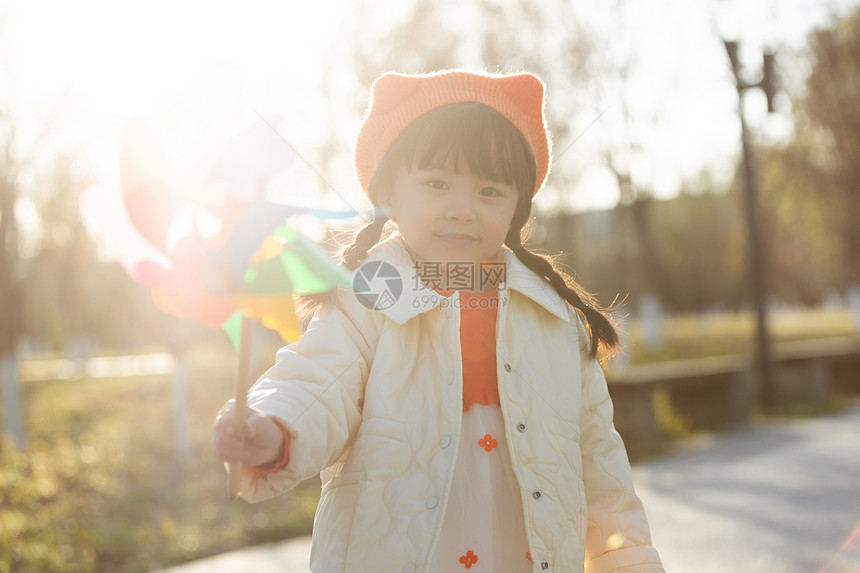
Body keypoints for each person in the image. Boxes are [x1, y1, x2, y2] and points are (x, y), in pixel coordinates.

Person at [212, 69, 664, 573]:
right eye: (436, 183)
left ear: (517, 208)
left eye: (490, 191)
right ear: (389, 193)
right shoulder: (366, 299)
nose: (462, 210)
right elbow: (317, 380)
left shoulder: (556, 317)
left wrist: (629, 562)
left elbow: (600, 464)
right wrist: (273, 426)